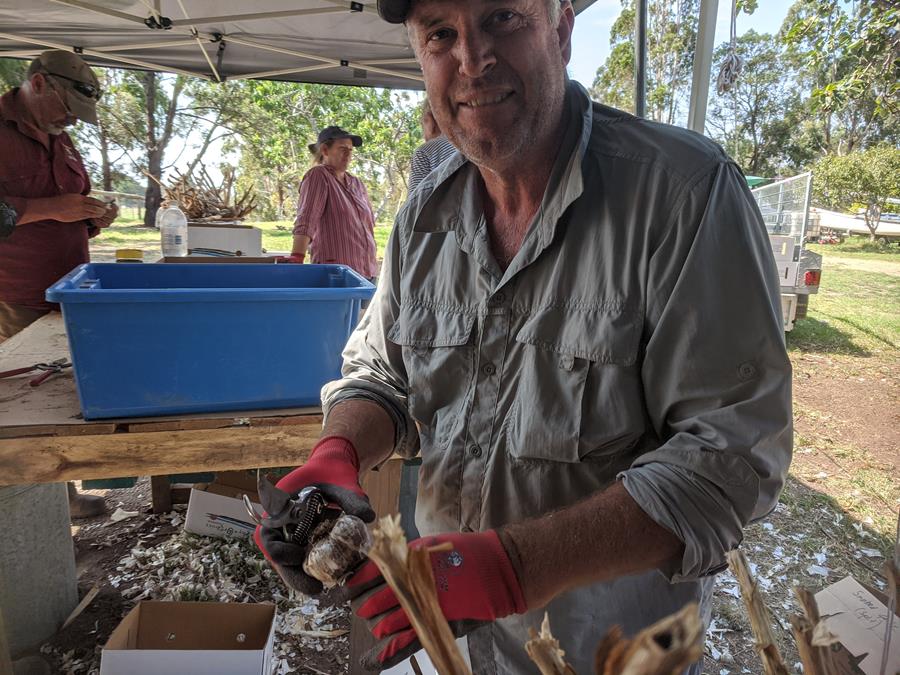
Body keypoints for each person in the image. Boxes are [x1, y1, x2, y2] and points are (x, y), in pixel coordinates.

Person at [256, 1, 792, 673]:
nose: (472, 60)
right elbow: (384, 371)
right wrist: (338, 449)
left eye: (503, 18)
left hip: (612, 653)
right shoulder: (426, 211)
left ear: (562, 28)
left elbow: (733, 457)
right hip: (452, 646)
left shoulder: (683, 194)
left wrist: (520, 566)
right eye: (441, 34)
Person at [0, 50, 116, 518]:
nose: (71, 120)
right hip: (16, 293)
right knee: (27, 402)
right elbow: (43, 209)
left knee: (65, 392)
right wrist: (52, 209)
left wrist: (92, 217)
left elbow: (70, 204)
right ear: (40, 84)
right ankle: (33, 511)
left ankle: (63, 496)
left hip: (71, 288)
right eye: (68, 108)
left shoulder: (62, 139)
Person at [291, 125, 378, 284]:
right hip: (337, 274)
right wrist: (296, 258)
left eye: (350, 150)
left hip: (367, 271)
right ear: (325, 150)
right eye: (342, 149)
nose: (348, 154)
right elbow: (306, 220)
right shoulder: (318, 176)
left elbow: (368, 225)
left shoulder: (357, 184)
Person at [408, 98, 457, 192]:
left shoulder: (424, 153)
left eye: (422, 123)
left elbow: (415, 205)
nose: (423, 134)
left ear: (429, 120)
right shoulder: (474, 145)